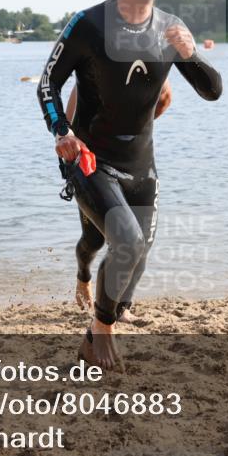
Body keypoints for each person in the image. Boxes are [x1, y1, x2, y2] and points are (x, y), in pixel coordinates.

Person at [37, 0, 222, 370]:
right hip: (89, 159)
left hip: (142, 166)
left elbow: (212, 90)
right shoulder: (88, 24)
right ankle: (100, 332)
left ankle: (96, 324)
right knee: (120, 241)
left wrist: (191, 55)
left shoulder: (171, 28)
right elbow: (47, 83)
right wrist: (62, 131)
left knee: (132, 258)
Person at [67, 79, 171, 317]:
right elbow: (68, 124)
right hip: (96, 168)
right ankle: (83, 275)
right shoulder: (89, 74)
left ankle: (122, 308)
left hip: (138, 166)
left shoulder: (150, 65)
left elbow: (164, 98)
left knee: (142, 243)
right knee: (93, 240)